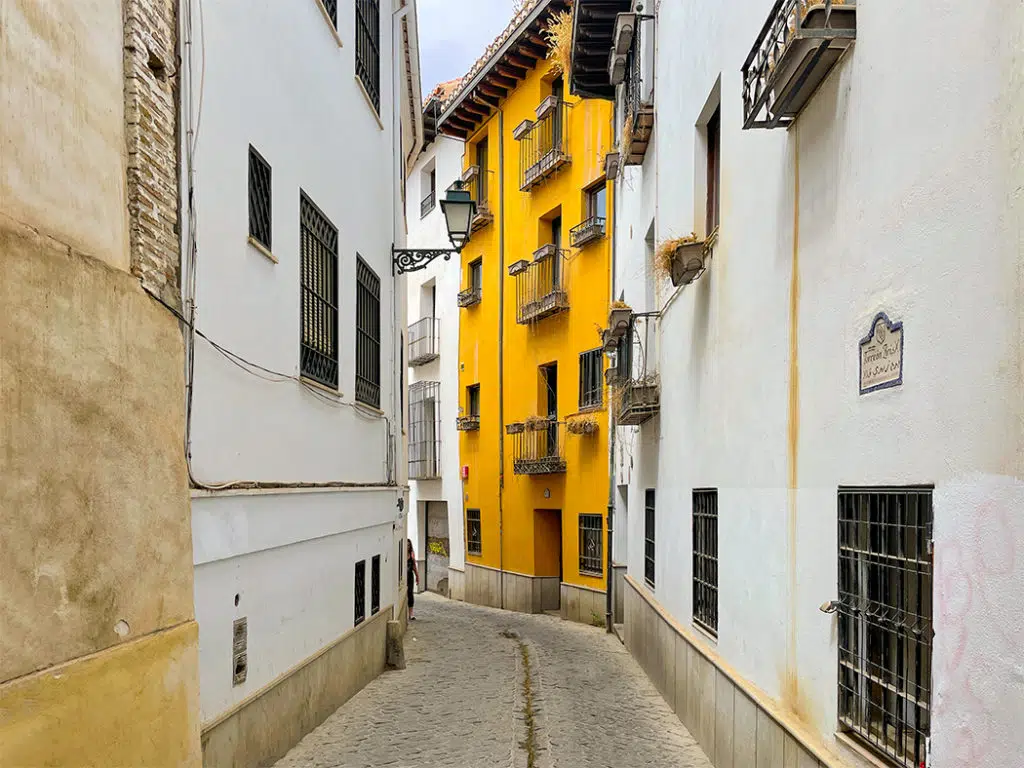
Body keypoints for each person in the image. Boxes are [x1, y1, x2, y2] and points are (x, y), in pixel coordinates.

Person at [406, 540, 420, 620]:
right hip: (403, 577)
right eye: (406, 545)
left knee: (410, 594)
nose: (407, 547)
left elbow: (414, 566)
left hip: (410, 576)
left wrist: (417, 576)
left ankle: (411, 613)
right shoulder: (401, 553)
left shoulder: (411, 554)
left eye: (409, 545)